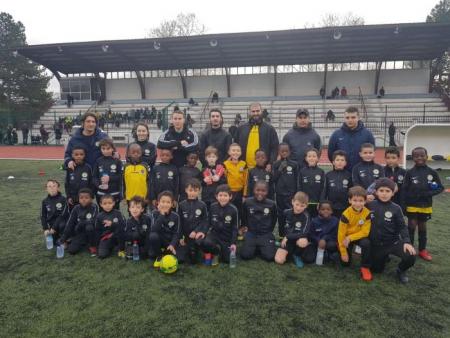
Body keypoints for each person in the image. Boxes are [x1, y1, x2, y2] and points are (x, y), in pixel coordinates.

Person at [369, 178, 416, 283]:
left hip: (392, 242)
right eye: (381, 191)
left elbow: (402, 227)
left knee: (410, 255)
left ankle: (401, 270)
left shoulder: (396, 208)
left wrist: (407, 242)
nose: (384, 194)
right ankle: (384, 257)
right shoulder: (369, 205)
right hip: (376, 244)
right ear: (376, 192)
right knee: (376, 270)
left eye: (387, 191)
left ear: (392, 193)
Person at [401, 147, 444, 262]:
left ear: (426, 156)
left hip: (425, 205)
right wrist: (403, 205)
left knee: (422, 227)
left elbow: (440, 188)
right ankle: (410, 248)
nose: (419, 158)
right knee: (411, 226)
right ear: (413, 158)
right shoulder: (409, 173)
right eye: (416, 156)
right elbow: (404, 189)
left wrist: (428, 193)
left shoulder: (432, 172)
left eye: (422, 155)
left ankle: (422, 250)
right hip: (412, 205)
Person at [337, 186, 372, 281]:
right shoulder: (345, 215)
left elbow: (365, 232)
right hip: (346, 238)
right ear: (349, 200)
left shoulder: (367, 213)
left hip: (358, 237)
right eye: (355, 200)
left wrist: (350, 238)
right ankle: (345, 251)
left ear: (365, 201)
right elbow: (341, 235)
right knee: (345, 264)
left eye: (361, 201)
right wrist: (343, 253)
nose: (358, 203)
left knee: (366, 243)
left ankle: (365, 267)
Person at [275, 192, 315, 267]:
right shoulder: (286, 212)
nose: (298, 208)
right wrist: (283, 238)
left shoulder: (306, 216)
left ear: (306, 206)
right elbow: (282, 226)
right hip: (288, 241)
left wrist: (287, 237)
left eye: (302, 206)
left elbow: (305, 233)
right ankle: (284, 250)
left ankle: (297, 255)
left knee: (303, 242)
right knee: (279, 260)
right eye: (297, 204)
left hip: (298, 240)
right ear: (292, 202)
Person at [240, 181, 277, 262]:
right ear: (254, 190)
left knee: (269, 257)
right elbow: (244, 216)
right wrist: (246, 228)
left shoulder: (272, 204)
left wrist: (269, 231)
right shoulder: (247, 202)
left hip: (265, 233)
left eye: (263, 191)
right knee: (245, 255)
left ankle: (263, 244)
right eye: (258, 190)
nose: (260, 193)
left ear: (267, 192)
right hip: (251, 233)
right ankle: (255, 245)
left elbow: (274, 219)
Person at [200, 184, 239, 263]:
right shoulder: (212, 206)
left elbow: (235, 228)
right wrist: (203, 232)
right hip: (214, 234)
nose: (223, 198)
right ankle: (215, 252)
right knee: (204, 242)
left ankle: (223, 249)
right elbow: (208, 222)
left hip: (226, 237)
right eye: (220, 195)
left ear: (230, 196)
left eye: (225, 195)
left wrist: (233, 243)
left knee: (229, 261)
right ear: (216, 196)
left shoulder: (234, 210)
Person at [235, 102, 279, 170]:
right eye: (253, 111)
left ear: (261, 111)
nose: (255, 113)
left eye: (258, 111)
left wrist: (270, 163)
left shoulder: (270, 129)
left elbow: (274, 148)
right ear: (249, 112)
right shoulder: (241, 129)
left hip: (264, 169)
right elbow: (235, 146)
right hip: (243, 168)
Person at [177, 179, 209, 264]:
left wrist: (196, 231)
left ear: (199, 191)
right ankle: (188, 248)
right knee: (180, 259)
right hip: (185, 236)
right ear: (186, 190)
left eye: (195, 190)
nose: (192, 193)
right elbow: (179, 222)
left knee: (194, 260)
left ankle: (198, 249)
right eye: (190, 190)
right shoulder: (181, 205)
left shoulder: (202, 205)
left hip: (196, 235)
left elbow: (205, 221)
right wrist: (180, 237)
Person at [60, 188, 99, 256]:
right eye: (81, 198)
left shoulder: (94, 207)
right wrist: (64, 237)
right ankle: (76, 241)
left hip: (92, 232)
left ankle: (92, 245)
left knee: (89, 227)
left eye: (86, 198)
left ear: (91, 199)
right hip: (80, 233)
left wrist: (81, 223)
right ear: (78, 199)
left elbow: (93, 220)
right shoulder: (76, 208)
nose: (83, 199)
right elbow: (70, 223)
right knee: (71, 251)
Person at [272, 143, 299, 238]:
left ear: (289, 152)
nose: (284, 153)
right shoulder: (275, 164)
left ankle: (291, 235)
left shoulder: (294, 164)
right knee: (281, 215)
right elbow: (273, 179)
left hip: (291, 195)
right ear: (279, 152)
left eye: (286, 151)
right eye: (282, 151)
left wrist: (296, 193)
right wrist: (280, 169)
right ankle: (281, 235)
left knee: (291, 214)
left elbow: (297, 180)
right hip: (280, 194)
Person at [148, 191, 181, 265]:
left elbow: (177, 233)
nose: (165, 204)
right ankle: (159, 255)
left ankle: (167, 250)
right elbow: (154, 229)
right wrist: (162, 214)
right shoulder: (154, 213)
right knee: (151, 253)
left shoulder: (176, 216)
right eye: (163, 202)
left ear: (172, 204)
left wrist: (172, 244)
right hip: (159, 240)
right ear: (158, 203)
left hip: (169, 241)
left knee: (180, 259)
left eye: (168, 202)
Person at [92, 139, 122, 210]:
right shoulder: (98, 161)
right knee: (102, 213)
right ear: (100, 149)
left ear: (112, 149)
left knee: (115, 213)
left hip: (114, 193)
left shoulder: (117, 161)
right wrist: (99, 185)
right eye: (103, 149)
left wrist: (110, 178)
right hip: (101, 193)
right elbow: (94, 177)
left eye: (108, 148)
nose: (106, 151)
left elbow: (120, 176)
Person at [223, 143, 248, 228]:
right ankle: (229, 228)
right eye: (233, 150)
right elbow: (224, 179)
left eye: (238, 150)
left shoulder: (243, 164)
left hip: (240, 193)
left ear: (241, 152)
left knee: (240, 211)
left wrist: (244, 195)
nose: (235, 152)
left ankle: (240, 228)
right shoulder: (225, 164)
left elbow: (246, 181)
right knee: (229, 210)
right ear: (229, 152)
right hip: (229, 192)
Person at [321, 150, 352, 217]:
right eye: (337, 160)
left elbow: (351, 190)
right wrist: (322, 202)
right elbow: (324, 190)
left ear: (345, 163)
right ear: (333, 162)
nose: (340, 162)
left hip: (345, 206)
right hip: (332, 207)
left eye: (342, 160)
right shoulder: (328, 175)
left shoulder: (349, 175)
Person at [95, 194, 126, 259]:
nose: (107, 205)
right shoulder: (99, 216)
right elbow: (97, 230)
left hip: (117, 236)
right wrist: (98, 244)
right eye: (105, 203)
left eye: (110, 203)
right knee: (102, 255)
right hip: (106, 237)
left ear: (113, 203)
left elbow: (124, 225)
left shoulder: (118, 213)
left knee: (120, 231)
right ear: (101, 204)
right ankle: (110, 246)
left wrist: (112, 224)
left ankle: (121, 249)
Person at [64, 146, 93, 211]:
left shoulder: (88, 167)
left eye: (81, 154)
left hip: (85, 197)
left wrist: (91, 196)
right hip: (73, 197)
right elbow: (67, 183)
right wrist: (68, 196)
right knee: (73, 214)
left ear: (84, 155)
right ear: (72, 155)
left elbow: (91, 183)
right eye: (76, 154)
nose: (79, 156)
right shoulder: (70, 168)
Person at [41, 179, 68, 245]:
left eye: (54, 186)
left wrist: (54, 228)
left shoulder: (63, 199)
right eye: (49, 186)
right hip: (52, 225)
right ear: (46, 189)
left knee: (62, 225)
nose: (52, 188)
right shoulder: (45, 201)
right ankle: (57, 237)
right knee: (54, 243)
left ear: (58, 188)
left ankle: (65, 240)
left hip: (62, 223)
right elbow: (43, 216)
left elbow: (62, 215)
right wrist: (46, 228)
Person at [299, 148, 325, 217]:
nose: (311, 158)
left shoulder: (321, 172)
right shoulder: (302, 171)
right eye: (309, 156)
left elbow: (323, 188)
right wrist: (301, 200)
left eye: (314, 156)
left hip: (317, 203)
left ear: (318, 158)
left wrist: (321, 201)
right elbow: (299, 187)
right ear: (306, 158)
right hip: (305, 203)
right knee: (305, 220)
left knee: (316, 222)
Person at [201, 146, 226, 210]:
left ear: (216, 158)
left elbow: (225, 182)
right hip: (206, 197)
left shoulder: (221, 169)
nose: (211, 159)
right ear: (206, 158)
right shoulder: (203, 169)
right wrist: (204, 181)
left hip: (217, 197)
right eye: (209, 157)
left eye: (213, 157)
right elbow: (199, 183)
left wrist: (219, 179)